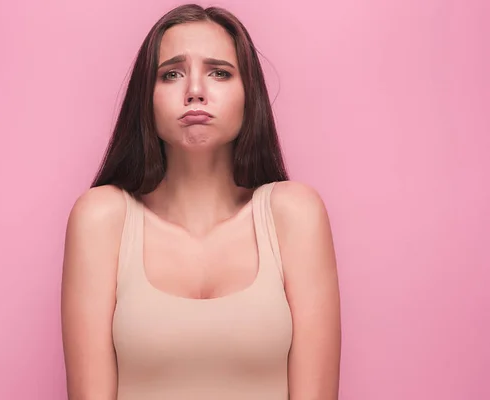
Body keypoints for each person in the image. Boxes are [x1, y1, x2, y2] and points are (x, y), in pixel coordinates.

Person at [60, 4, 341, 400]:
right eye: (171, 73)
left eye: (220, 72)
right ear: (147, 96)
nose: (194, 90)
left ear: (249, 95)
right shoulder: (102, 218)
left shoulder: (294, 215)